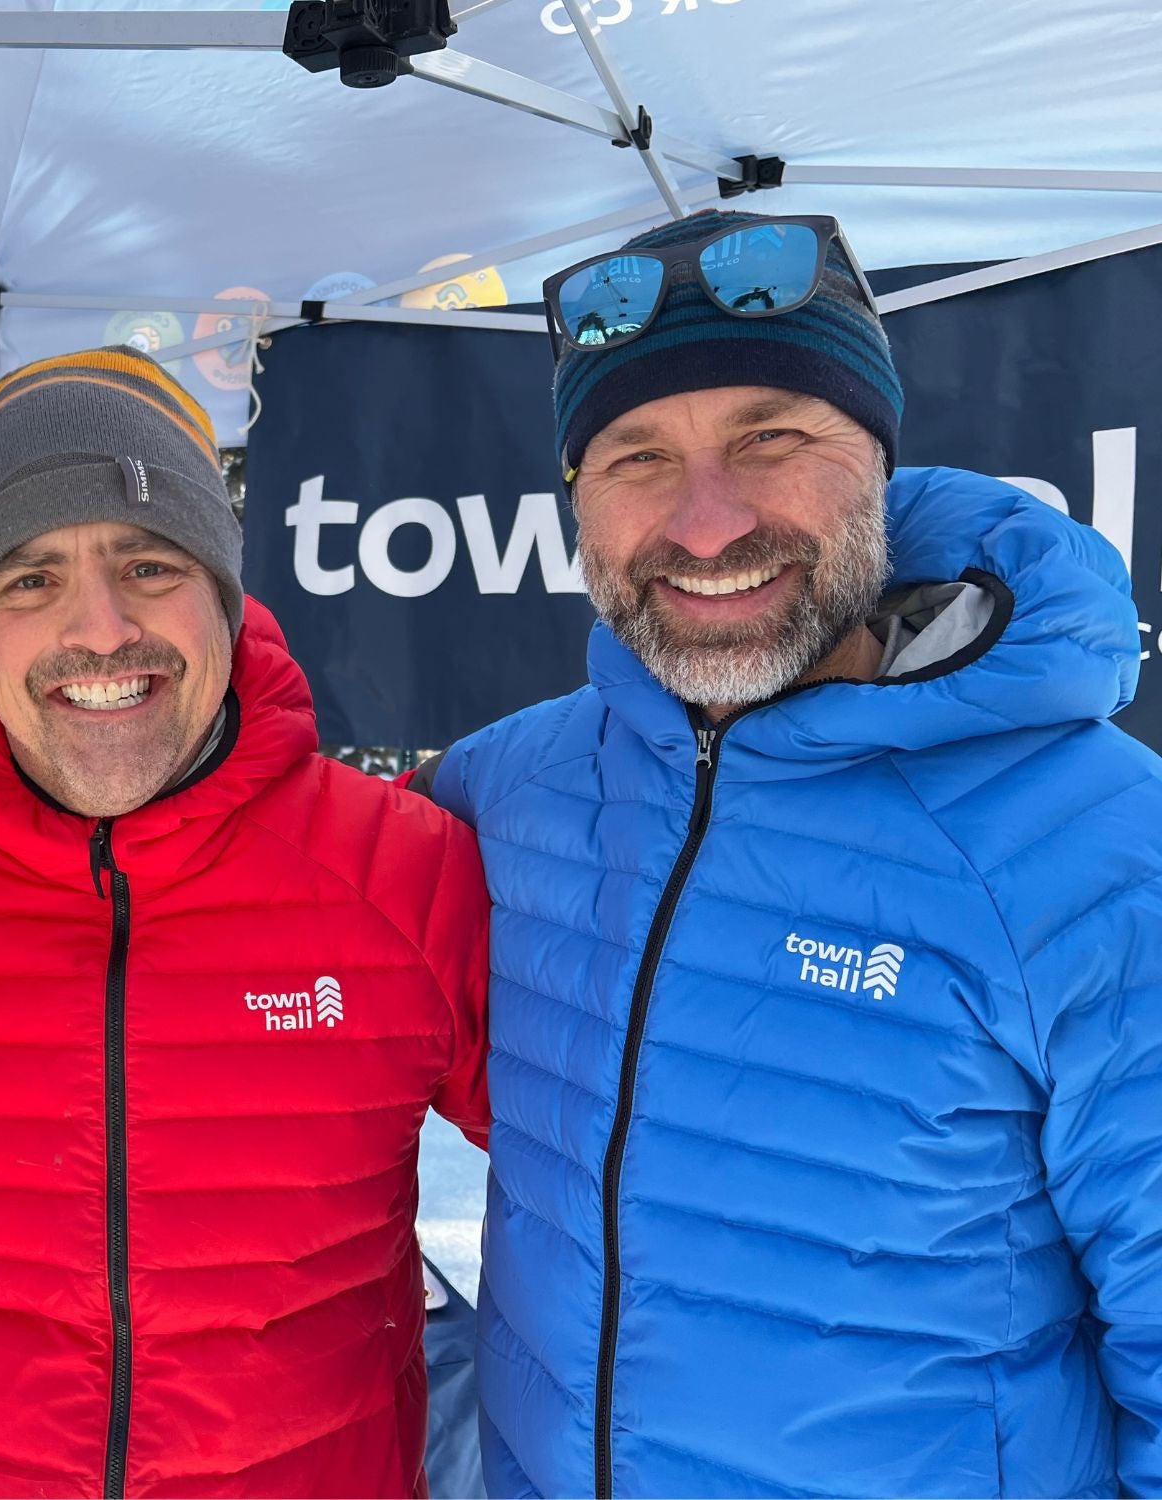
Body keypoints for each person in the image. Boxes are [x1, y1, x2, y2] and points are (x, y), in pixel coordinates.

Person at [431, 210, 1162, 1496]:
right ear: (575, 505)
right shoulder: (507, 790)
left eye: (769, 437)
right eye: (635, 456)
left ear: (874, 463)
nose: (706, 524)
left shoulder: (1099, 847)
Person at [0, 348, 491, 1496]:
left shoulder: (404, 875)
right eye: (28, 579)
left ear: (224, 595)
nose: (99, 629)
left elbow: (618, 1191)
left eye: (147, 564)